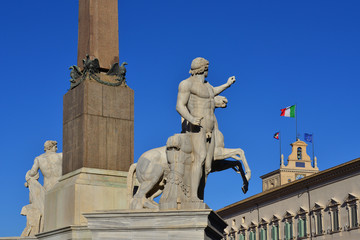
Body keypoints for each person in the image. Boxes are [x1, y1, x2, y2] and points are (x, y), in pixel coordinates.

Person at [176, 57, 235, 201]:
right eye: (207, 67)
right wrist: (191, 119)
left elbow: (212, 92)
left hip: (211, 129)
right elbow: (179, 106)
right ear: (202, 68)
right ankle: (193, 196)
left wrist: (227, 84)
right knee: (199, 159)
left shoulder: (208, 86)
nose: (208, 70)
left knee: (208, 166)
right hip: (197, 127)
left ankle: (200, 196)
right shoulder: (186, 84)